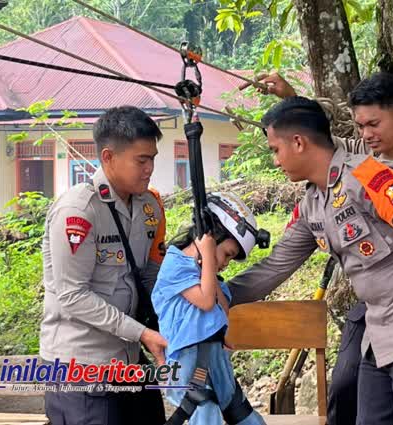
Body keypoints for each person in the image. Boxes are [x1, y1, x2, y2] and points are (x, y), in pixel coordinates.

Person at [228, 96, 393, 425]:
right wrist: (220, 295)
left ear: (299, 142)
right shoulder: (313, 204)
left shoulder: (371, 177)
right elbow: (276, 265)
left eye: (276, 150)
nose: (275, 161)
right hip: (378, 338)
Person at [40, 106, 168, 425]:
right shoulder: (79, 211)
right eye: (141, 160)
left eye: (152, 158)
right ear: (108, 157)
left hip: (129, 360)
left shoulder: (149, 206)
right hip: (82, 369)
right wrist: (142, 333)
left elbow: (147, 275)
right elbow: (72, 295)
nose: (150, 169)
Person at [152, 192, 266, 425]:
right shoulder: (175, 264)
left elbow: (222, 308)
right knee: (204, 409)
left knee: (237, 407)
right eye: (227, 254)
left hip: (213, 353)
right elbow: (205, 301)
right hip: (186, 358)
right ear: (211, 238)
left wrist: (209, 266)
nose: (225, 263)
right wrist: (207, 257)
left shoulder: (209, 276)